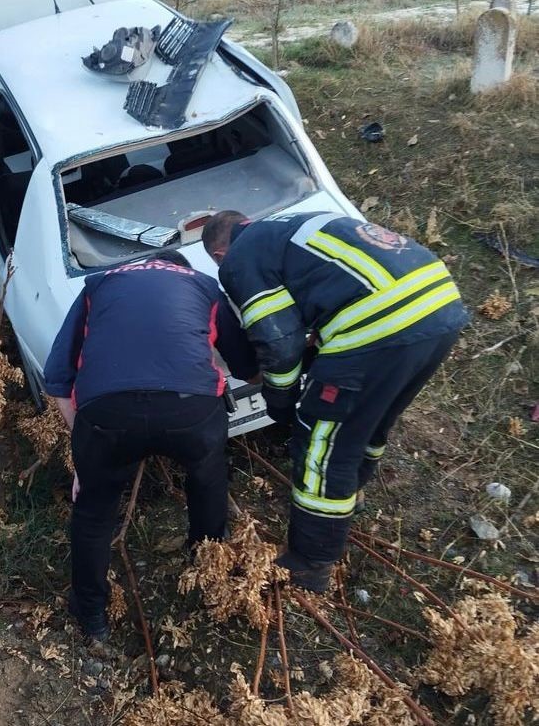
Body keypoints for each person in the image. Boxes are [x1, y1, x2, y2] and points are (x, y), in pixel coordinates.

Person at [201, 210, 468, 593]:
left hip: (377, 325)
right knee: (370, 423)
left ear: (219, 255)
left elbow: (279, 342)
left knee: (322, 444)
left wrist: (280, 399)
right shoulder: (298, 226)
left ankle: (311, 561)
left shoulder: (240, 258)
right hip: (439, 307)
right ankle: (348, 496)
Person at [44, 250, 258, 641]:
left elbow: (57, 378)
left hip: (108, 415)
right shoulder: (203, 286)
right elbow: (246, 364)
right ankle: (207, 569)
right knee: (208, 475)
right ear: (181, 269)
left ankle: (91, 615)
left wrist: (85, 457)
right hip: (189, 413)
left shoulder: (99, 284)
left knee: (94, 513)